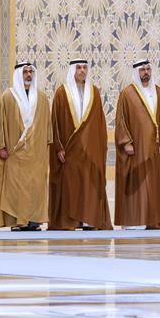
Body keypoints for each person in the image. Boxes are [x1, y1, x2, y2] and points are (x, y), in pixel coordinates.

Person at [49, 59, 112, 230]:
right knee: (72, 186)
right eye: (78, 68)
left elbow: (99, 123)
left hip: (91, 150)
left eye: (84, 67)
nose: (82, 71)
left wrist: (100, 148)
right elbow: (55, 123)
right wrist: (59, 147)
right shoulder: (62, 93)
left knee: (90, 184)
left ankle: (89, 219)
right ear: (72, 70)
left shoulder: (94, 92)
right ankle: (71, 221)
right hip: (70, 151)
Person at [0, 61, 51, 231]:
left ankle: (34, 220)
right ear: (19, 74)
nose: (28, 75)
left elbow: (47, 127)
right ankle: (17, 221)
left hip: (36, 153)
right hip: (14, 152)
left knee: (35, 186)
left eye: (30, 72)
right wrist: (2, 146)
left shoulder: (42, 98)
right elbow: (1, 124)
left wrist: (46, 147)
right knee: (16, 188)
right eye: (25, 72)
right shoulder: (8, 97)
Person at [114, 59, 160, 229]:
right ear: (136, 72)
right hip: (136, 149)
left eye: (148, 69)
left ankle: (153, 220)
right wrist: (126, 143)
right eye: (142, 70)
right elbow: (121, 120)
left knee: (154, 185)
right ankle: (134, 221)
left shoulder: (159, 93)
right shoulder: (127, 94)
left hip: (154, 150)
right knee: (136, 184)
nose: (146, 72)